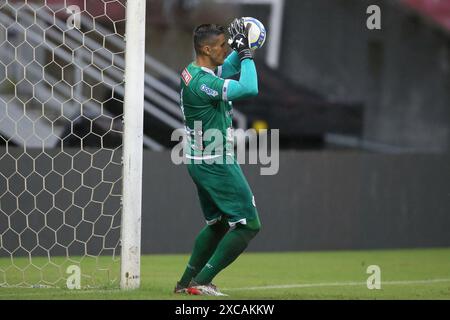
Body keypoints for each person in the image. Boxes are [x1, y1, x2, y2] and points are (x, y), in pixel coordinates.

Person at [174, 19, 261, 296]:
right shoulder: (203, 84)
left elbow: (231, 67)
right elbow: (249, 88)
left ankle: (185, 282)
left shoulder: (193, 71)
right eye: (222, 46)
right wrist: (246, 54)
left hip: (200, 160)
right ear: (208, 49)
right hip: (215, 161)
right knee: (248, 224)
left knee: (219, 224)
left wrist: (243, 44)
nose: (226, 49)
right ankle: (201, 282)